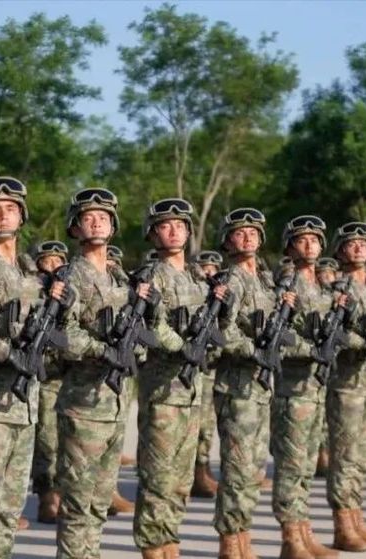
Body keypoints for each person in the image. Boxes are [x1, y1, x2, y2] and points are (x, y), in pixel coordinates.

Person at [0, 177, 65, 557]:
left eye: (11, 208)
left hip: (24, 405)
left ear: (22, 216)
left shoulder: (27, 272)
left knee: (9, 509)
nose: (3, 215)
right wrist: (9, 353)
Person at [56, 188, 153, 558]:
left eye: (103, 218)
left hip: (115, 401)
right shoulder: (70, 276)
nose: (96, 223)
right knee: (78, 498)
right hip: (83, 402)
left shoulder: (120, 278)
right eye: (88, 218)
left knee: (100, 498)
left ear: (113, 227)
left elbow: (140, 336)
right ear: (75, 228)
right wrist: (104, 350)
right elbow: (63, 335)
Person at [133, 198, 222, 558]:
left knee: (182, 479)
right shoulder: (150, 276)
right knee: (158, 477)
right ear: (152, 234)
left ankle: (169, 541)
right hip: (163, 391)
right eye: (165, 226)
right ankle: (153, 547)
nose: (173, 231)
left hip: (191, 391)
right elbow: (150, 328)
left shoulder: (197, 278)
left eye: (180, 225)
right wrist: (185, 348)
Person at [211, 208, 296, 558]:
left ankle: (243, 536)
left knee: (254, 468)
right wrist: (254, 349)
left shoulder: (264, 280)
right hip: (237, 387)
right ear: (227, 241)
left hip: (259, 388)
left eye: (253, 233)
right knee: (237, 468)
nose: (247, 238)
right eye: (239, 233)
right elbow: (222, 332)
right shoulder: (230, 281)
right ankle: (231, 542)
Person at [271, 215, 339, 558]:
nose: (310, 244)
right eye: (302, 240)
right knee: (291, 466)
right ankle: (290, 538)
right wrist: (311, 349)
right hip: (293, 390)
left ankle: (304, 529)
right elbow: (279, 338)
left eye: (314, 239)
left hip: (315, 388)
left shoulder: (323, 288)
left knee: (308, 466)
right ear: (290, 247)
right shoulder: (287, 288)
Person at [324, 222, 366, 551]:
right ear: (339, 251)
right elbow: (334, 333)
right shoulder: (335, 290)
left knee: (363, 455)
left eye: (364, 243)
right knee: (345, 456)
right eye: (351, 243)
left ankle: (357, 519)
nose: (359, 247)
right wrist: (364, 342)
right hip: (346, 383)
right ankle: (343, 525)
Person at [31, 240, 70, 524]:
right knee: (46, 439)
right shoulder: (35, 290)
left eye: (59, 261)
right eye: (48, 261)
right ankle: (47, 495)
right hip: (45, 375)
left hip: (69, 375)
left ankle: (65, 491)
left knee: (68, 439)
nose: (54, 266)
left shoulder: (70, 288)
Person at [189, 250, 223, 499]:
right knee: (194, 425)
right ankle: (195, 471)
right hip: (193, 369)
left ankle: (203, 467)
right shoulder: (195, 293)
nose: (209, 272)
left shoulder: (220, 295)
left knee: (208, 425)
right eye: (204, 268)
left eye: (213, 268)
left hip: (213, 369)